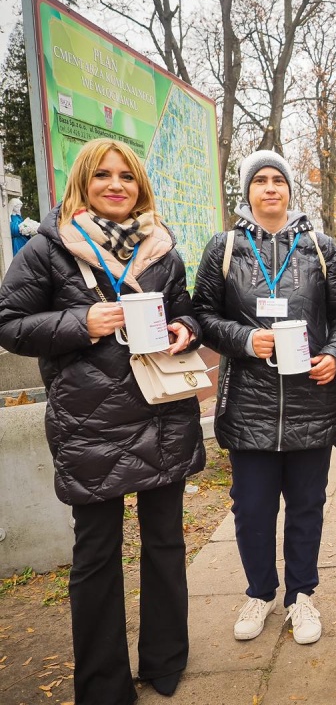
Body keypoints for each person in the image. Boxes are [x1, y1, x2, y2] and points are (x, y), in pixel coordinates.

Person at [0, 138, 205, 703]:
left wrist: (187, 329)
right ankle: (103, 683)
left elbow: (184, 308)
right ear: (82, 185)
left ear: (140, 186)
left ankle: (166, 659)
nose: (116, 186)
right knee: (96, 555)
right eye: (103, 176)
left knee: (165, 541)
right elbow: (9, 321)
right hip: (91, 423)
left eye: (127, 177)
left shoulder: (163, 250)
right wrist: (81, 322)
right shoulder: (49, 249)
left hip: (163, 413)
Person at [192, 150, 336, 645]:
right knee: (252, 508)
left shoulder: (320, 247)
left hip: (313, 400)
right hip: (250, 404)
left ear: (289, 190)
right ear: (247, 192)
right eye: (260, 181)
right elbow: (202, 313)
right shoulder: (224, 248)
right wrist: (244, 340)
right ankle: (261, 592)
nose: (270, 188)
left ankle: (301, 597)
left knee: (308, 505)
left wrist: (335, 354)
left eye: (278, 180)